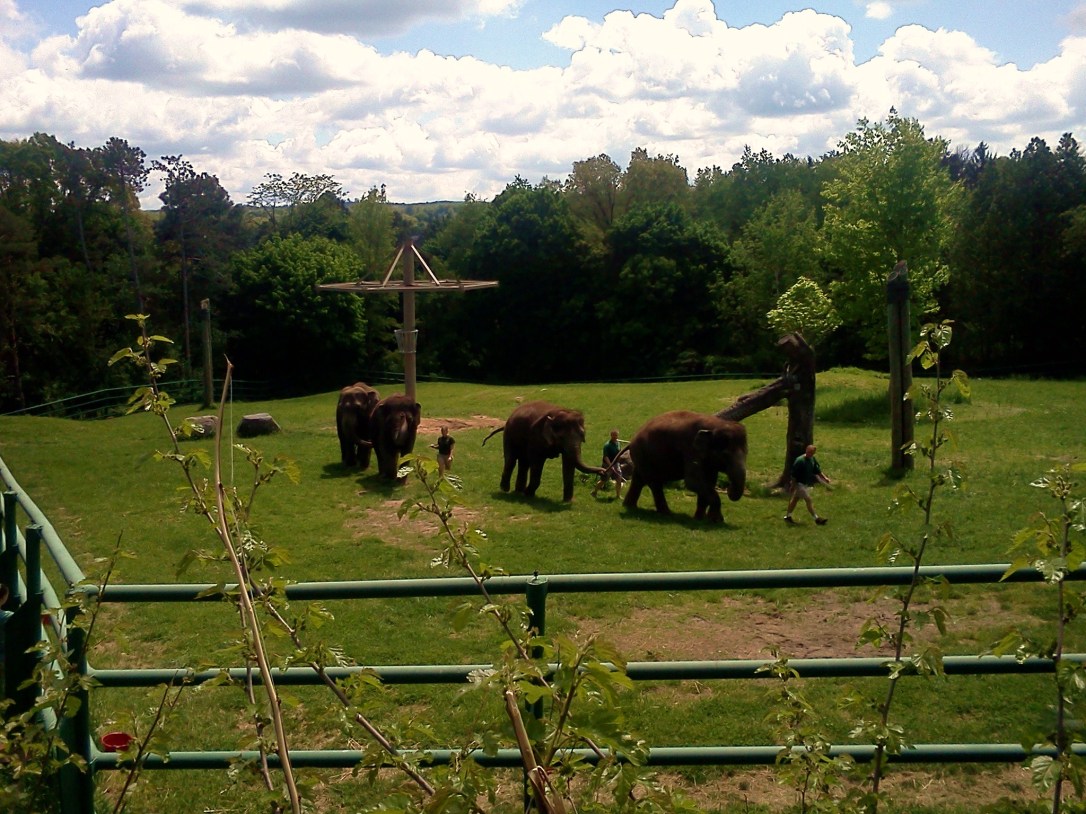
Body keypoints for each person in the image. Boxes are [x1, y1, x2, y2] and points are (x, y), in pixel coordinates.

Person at [785, 443, 831, 525]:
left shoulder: (812, 459)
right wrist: (792, 485)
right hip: (799, 484)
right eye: (809, 452)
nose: (810, 454)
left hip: (805, 483)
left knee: (795, 500)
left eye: (812, 453)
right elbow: (793, 475)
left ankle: (788, 516)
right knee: (808, 500)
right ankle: (817, 519)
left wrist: (825, 478)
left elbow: (817, 470)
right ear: (806, 450)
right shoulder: (800, 461)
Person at [592, 429, 624, 499]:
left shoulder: (618, 443)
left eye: (616, 435)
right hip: (607, 465)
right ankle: (594, 492)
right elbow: (605, 457)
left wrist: (619, 462)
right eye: (613, 435)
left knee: (619, 479)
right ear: (611, 435)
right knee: (604, 480)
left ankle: (618, 496)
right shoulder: (607, 445)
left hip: (616, 464)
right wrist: (610, 465)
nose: (615, 436)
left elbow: (619, 452)